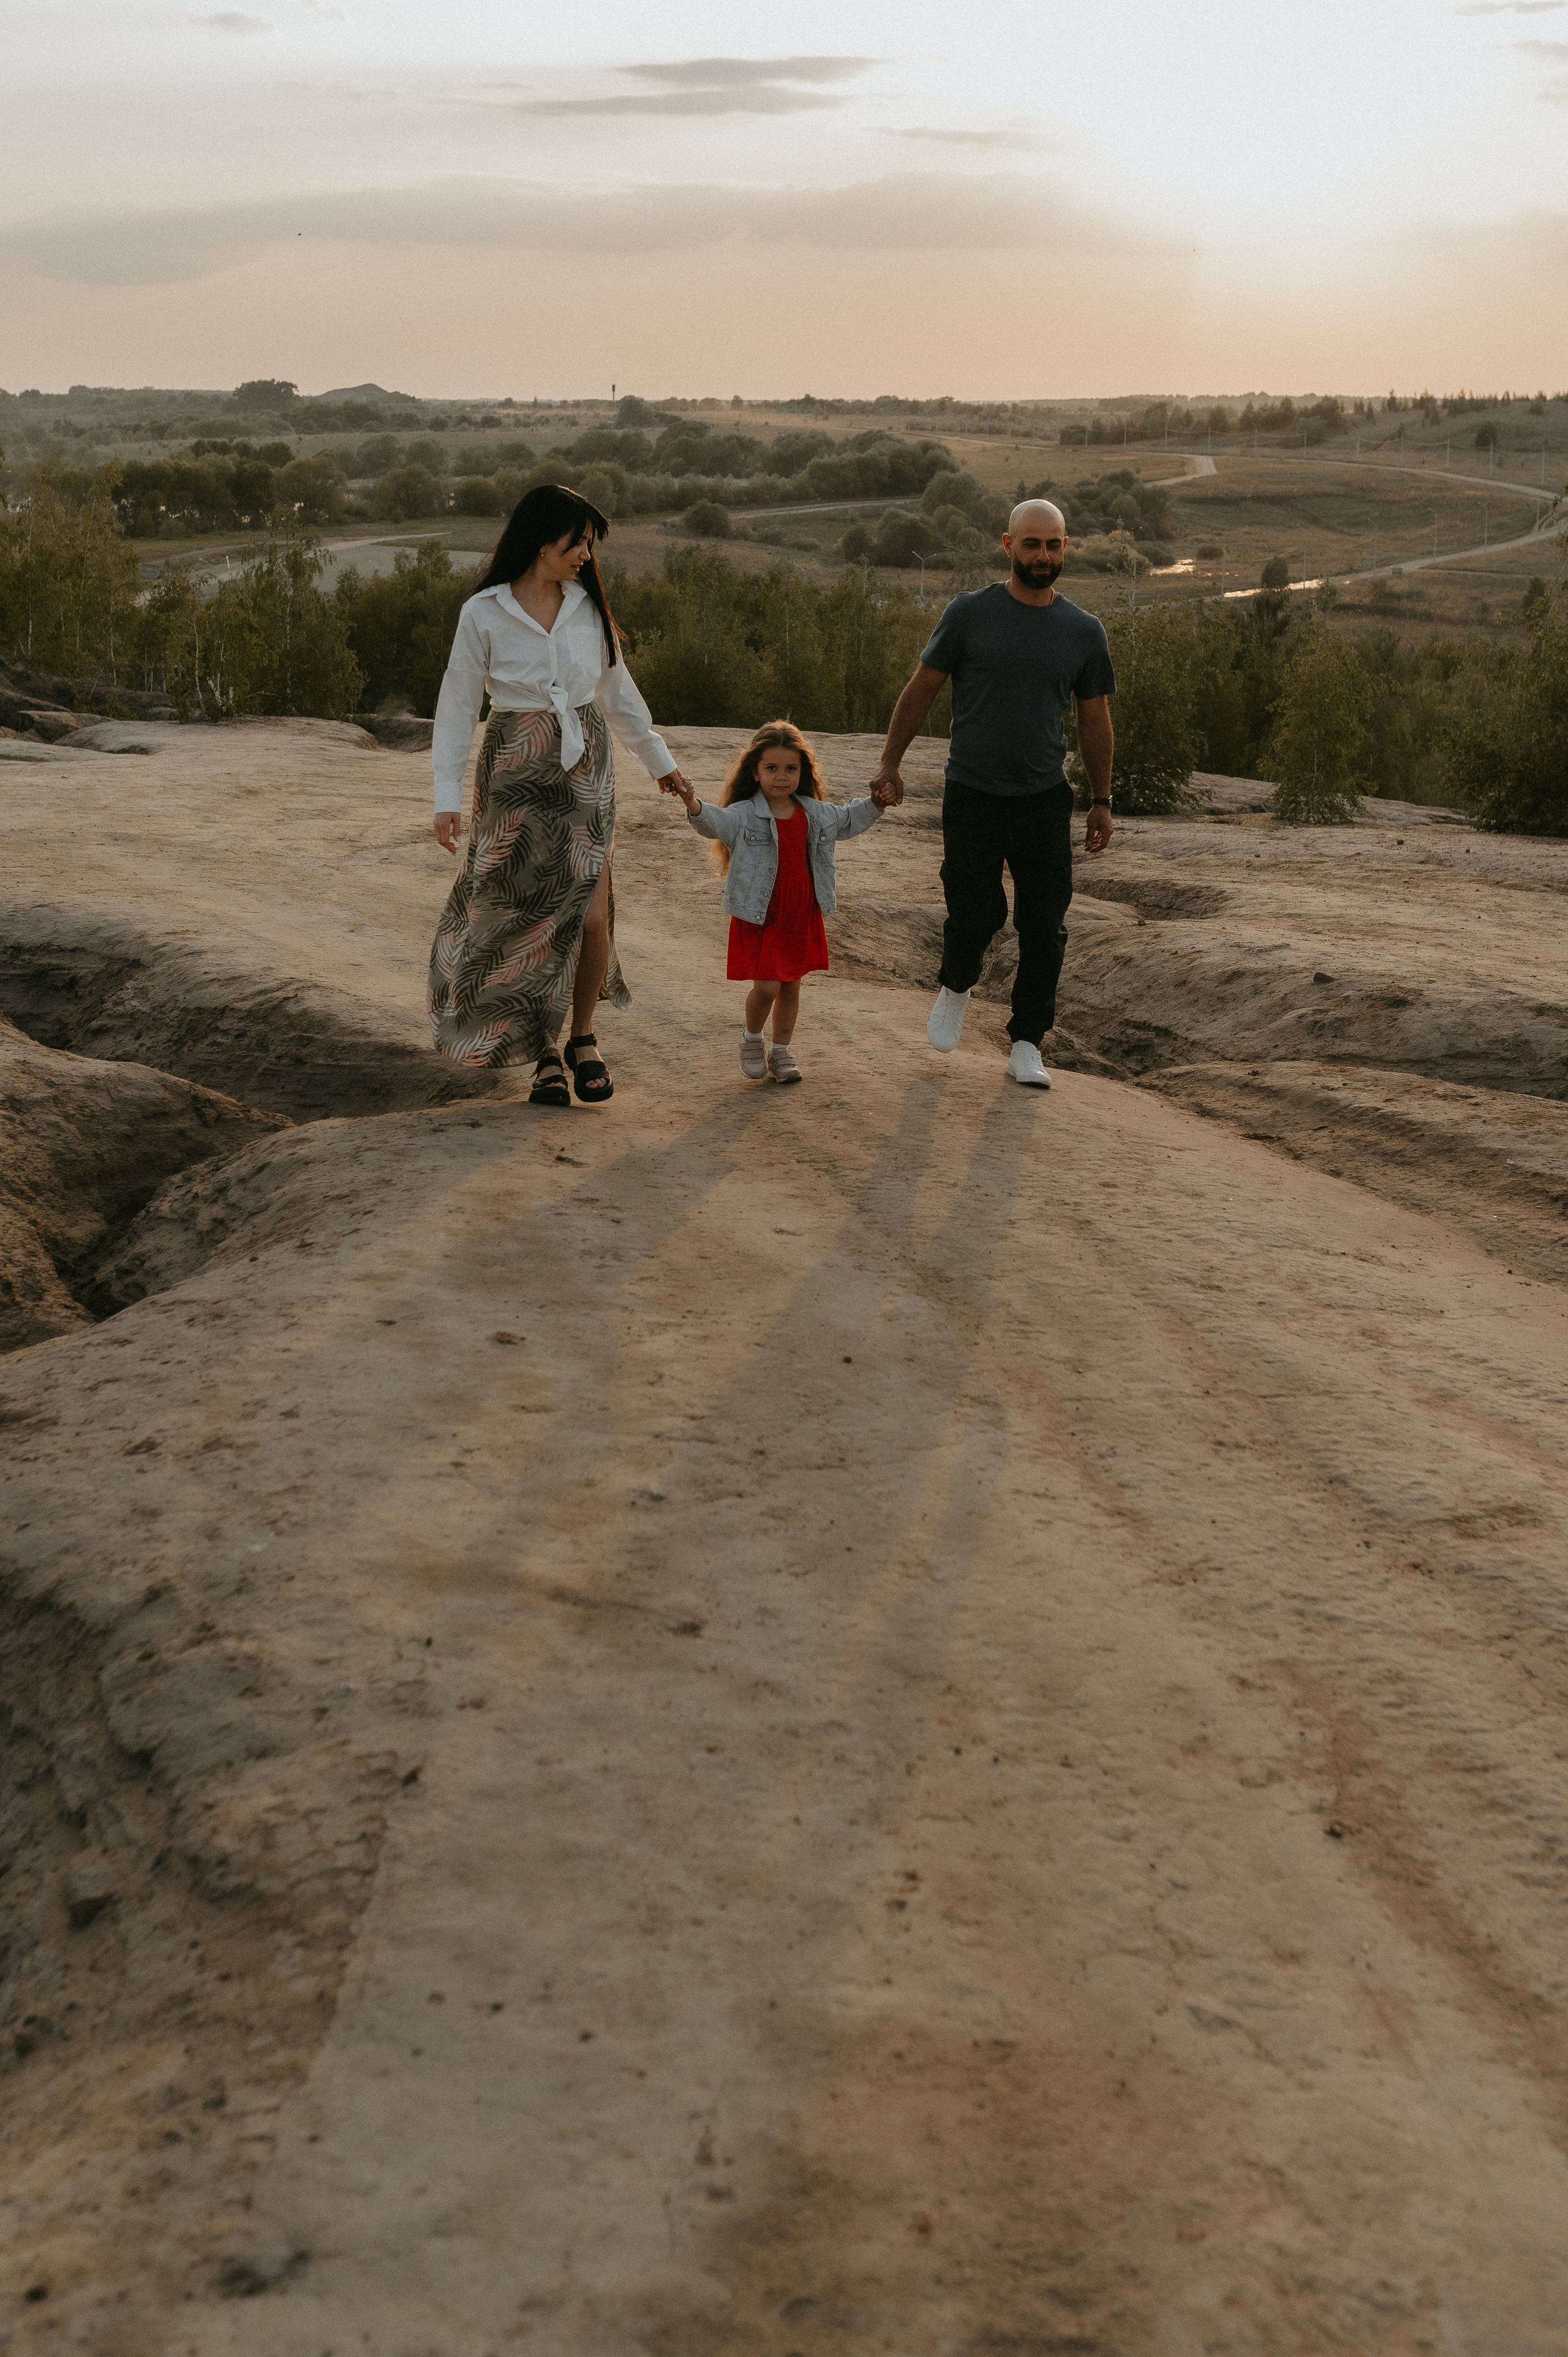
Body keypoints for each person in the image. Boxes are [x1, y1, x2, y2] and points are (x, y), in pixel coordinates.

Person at [427, 483, 693, 1105]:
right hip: (515, 768)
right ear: (541, 540)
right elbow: (459, 706)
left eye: (587, 545)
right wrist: (445, 797)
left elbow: (618, 694)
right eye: (577, 542)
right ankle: (544, 1052)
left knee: (590, 914)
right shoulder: (484, 613)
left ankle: (583, 1036)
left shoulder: (588, 608)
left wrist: (660, 761)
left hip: (584, 765)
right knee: (529, 917)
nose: (584, 555)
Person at [869, 499, 1116, 1089]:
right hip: (973, 791)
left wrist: (1102, 798)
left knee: (1044, 925)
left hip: (1043, 798)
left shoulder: (1083, 631)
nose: (1043, 556)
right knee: (976, 908)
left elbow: (1094, 720)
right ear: (1007, 544)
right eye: (1032, 544)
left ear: (1065, 549)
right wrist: (890, 762)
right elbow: (921, 689)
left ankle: (1027, 1041)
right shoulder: (970, 614)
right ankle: (957, 984)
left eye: (1054, 545)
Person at [661, 721, 894, 1083]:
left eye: (791, 769)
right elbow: (714, 823)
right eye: (772, 768)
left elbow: (849, 819)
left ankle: (782, 1051)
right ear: (755, 772)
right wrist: (693, 802)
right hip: (762, 910)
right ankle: (752, 1038)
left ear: (803, 772)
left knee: (791, 985)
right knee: (768, 985)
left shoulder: (814, 812)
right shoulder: (743, 814)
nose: (781, 777)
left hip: (801, 910)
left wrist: (877, 802)